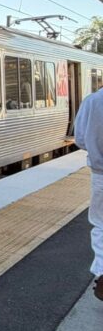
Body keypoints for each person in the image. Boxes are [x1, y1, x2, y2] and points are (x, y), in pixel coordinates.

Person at [72, 87, 103, 300]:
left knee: (101, 224)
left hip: (101, 175)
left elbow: (80, 139)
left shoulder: (93, 101)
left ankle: (102, 273)